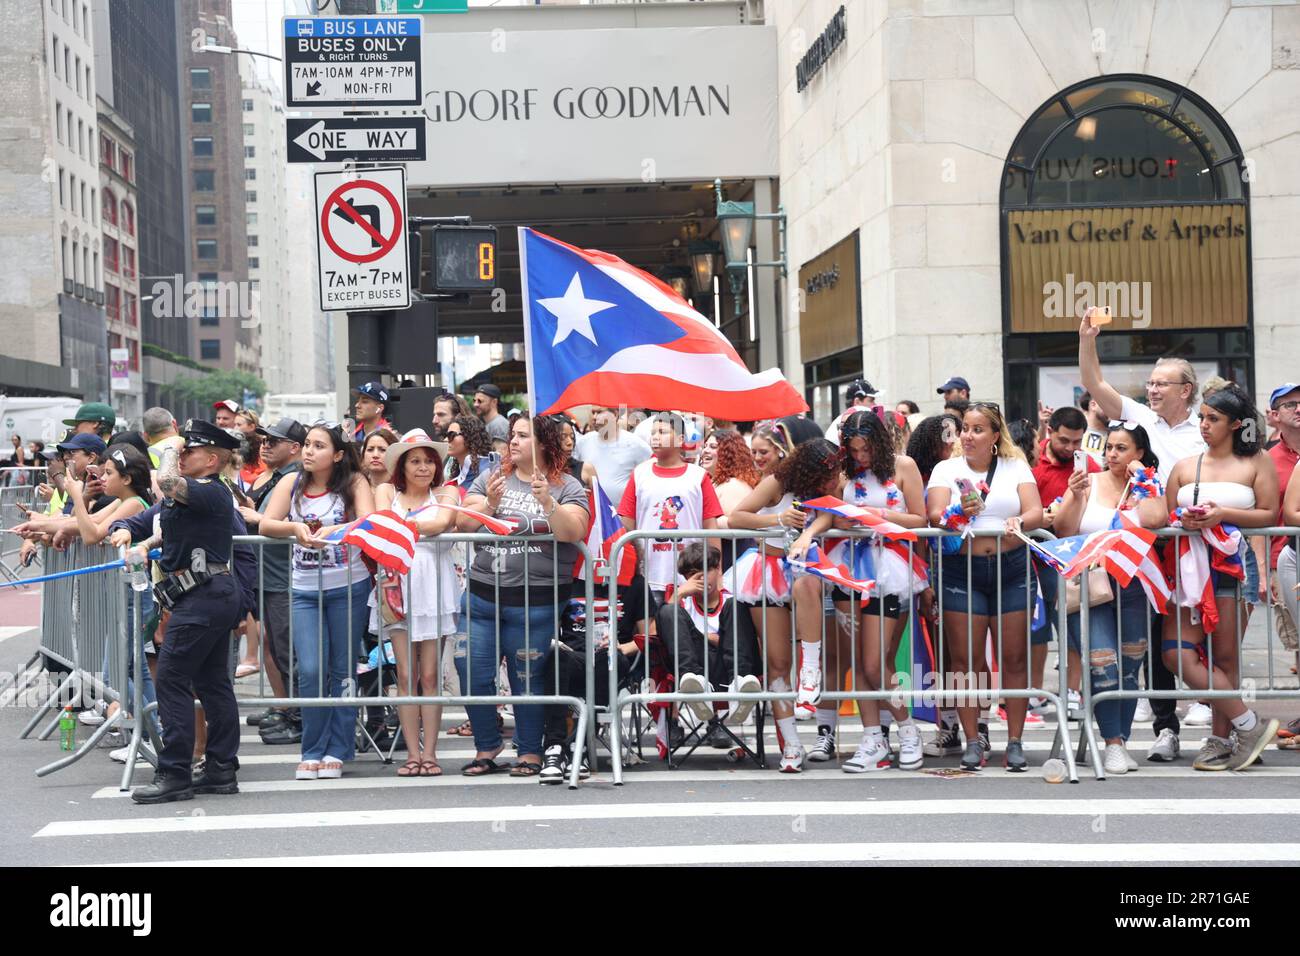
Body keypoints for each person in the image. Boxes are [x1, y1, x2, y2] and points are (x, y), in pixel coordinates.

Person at [789, 410, 929, 773]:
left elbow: (920, 519)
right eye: (853, 450)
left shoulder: (904, 466)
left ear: (879, 443)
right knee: (858, 662)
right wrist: (829, 524)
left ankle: (907, 729)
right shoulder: (844, 471)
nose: (861, 457)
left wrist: (876, 516)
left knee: (875, 662)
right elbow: (832, 514)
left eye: (866, 449)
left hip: (891, 569)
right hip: (848, 568)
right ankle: (872, 740)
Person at [113, 421, 244, 803]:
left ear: (213, 459)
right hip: (202, 595)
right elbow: (173, 527)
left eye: (191, 450)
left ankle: (175, 772)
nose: (183, 454)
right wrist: (145, 544)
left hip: (205, 596)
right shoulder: (194, 495)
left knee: (171, 679)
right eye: (183, 450)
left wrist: (169, 450)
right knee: (211, 684)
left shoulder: (212, 491)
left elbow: (167, 484)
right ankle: (220, 768)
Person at [456, 413, 590, 776]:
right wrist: (490, 505)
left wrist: (548, 502)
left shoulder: (568, 486)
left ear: (544, 443)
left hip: (537, 601)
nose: (512, 441)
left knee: (527, 677)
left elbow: (574, 529)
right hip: (483, 596)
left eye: (522, 436)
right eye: (511, 435)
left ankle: (529, 751)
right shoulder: (492, 478)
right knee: (470, 668)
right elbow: (462, 521)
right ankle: (487, 744)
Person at [1164, 384, 1280, 771]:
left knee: (1224, 656)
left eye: (1213, 419)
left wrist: (1222, 515)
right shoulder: (1185, 465)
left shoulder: (1257, 461)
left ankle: (1220, 739)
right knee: (1176, 653)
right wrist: (1185, 520)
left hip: (1233, 564)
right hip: (1188, 568)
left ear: (1235, 424)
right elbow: (1168, 518)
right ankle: (1248, 725)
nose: (1204, 425)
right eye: (1201, 417)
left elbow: (1268, 513)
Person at [927, 401, 1043, 772]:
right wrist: (960, 512)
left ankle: (1015, 741)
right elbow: (935, 515)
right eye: (965, 428)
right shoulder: (946, 468)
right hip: (962, 569)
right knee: (966, 661)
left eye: (978, 429)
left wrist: (1019, 521)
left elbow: (1036, 511)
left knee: (1013, 658)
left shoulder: (1015, 465)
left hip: (1012, 566)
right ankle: (973, 740)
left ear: (995, 436)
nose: (968, 435)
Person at [258, 422, 375, 782]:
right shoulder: (290, 483)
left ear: (337, 455)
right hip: (304, 589)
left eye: (318, 446)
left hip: (348, 586)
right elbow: (265, 525)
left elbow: (370, 522)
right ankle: (312, 749)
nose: (308, 451)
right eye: (307, 444)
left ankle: (338, 749)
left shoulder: (354, 483)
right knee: (310, 669)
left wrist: (335, 532)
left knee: (342, 670)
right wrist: (295, 530)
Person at [1053, 422, 1168, 774]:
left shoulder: (1147, 486)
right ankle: (1112, 744)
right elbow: (1063, 530)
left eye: (1121, 448)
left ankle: (1121, 737)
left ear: (1139, 454)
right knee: (1103, 662)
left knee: (1132, 665)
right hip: (1090, 585)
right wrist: (1074, 495)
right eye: (1110, 448)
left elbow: (1154, 519)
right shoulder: (1089, 481)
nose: (1112, 455)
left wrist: (1142, 479)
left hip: (1133, 585)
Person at [729, 437, 844, 772]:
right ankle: (791, 744)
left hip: (805, 569)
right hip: (768, 569)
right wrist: (778, 520)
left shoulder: (827, 486)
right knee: (777, 662)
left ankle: (810, 670)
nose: (834, 479)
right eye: (829, 473)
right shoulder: (777, 483)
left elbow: (832, 514)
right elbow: (737, 516)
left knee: (809, 586)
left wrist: (808, 532)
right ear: (809, 471)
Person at [371, 429, 460, 777]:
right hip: (395, 586)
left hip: (434, 588)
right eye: (415, 461)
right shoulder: (385, 491)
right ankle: (412, 753)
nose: (423, 467)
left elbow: (442, 521)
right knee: (406, 674)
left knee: (430, 674)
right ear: (402, 465)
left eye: (428, 461)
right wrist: (411, 526)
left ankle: (432, 753)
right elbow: (382, 523)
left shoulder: (446, 492)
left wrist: (404, 525)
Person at [540, 548, 651, 783]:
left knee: (609, 660)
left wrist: (623, 647)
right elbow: (551, 629)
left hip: (614, 657)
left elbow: (650, 635)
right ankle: (555, 747)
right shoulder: (569, 580)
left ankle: (578, 745)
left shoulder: (636, 583)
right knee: (555, 657)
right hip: (574, 656)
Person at [1029, 405, 1102, 712]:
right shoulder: (1031, 465)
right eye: (1064, 441)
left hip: (1072, 559)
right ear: (1050, 433)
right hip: (1033, 558)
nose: (1071, 448)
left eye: (1077, 442)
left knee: (1072, 625)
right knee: (1034, 630)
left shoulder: (1090, 466)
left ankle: (1072, 691)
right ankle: (1032, 693)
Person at [239, 418, 307, 744]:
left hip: (285, 578)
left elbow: (276, 523)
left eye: (274, 441)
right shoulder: (278, 477)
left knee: (289, 652)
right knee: (278, 650)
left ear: (295, 448)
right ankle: (288, 710)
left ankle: (299, 718)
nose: (265, 445)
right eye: (264, 440)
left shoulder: (295, 478)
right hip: (268, 576)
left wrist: (257, 518)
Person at [618, 412, 723, 608]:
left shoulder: (698, 476)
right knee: (649, 635)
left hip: (691, 578)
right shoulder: (640, 473)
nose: (655, 437)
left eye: (662, 431)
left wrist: (716, 572)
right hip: (647, 576)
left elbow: (711, 526)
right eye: (653, 432)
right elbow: (626, 523)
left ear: (681, 439)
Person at [661, 542, 762, 736]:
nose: (700, 577)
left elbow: (750, 643)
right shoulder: (682, 602)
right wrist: (679, 593)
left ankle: (739, 688)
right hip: (694, 669)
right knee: (667, 610)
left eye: (706, 570)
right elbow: (655, 634)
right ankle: (694, 687)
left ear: (718, 570)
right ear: (685, 578)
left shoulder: (733, 601)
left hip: (728, 667)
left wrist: (706, 638)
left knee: (735, 605)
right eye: (692, 574)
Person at [1263, 383, 1300, 665]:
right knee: (1298, 636)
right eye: (1290, 404)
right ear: (1275, 415)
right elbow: (1261, 513)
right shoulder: (1265, 461)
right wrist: (1263, 572)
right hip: (1285, 560)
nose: (1299, 409)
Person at [574, 404, 652, 507]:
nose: (594, 417)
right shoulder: (583, 443)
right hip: (591, 515)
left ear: (615, 414)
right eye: (593, 413)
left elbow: (650, 477)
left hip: (622, 518)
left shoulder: (637, 445)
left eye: (599, 412)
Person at [443, 413, 493, 496]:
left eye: (451, 435)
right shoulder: (458, 469)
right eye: (446, 435)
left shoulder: (486, 469)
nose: (445, 440)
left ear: (469, 437)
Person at [824, 379, 881, 445]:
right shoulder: (859, 416)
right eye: (871, 400)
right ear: (857, 401)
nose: (875, 404)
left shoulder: (844, 418)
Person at [473, 383, 510, 448]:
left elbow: (502, 455)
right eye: (474, 401)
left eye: (480, 401)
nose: (475, 404)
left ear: (494, 402)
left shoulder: (499, 425)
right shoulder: (486, 423)